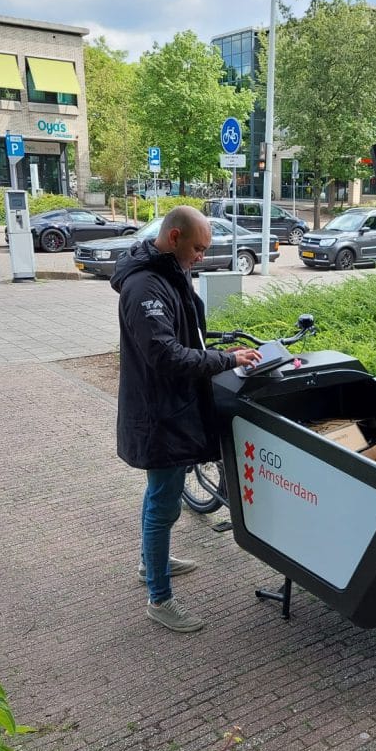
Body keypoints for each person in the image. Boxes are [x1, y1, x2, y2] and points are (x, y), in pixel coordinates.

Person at [111, 206, 261, 633]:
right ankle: (159, 598)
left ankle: (150, 564)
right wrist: (226, 359)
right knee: (163, 503)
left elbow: (185, 334)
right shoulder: (145, 287)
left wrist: (225, 350)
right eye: (198, 248)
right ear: (174, 237)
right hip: (160, 415)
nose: (201, 256)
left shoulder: (168, 272)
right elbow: (165, 355)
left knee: (161, 498)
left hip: (169, 408)